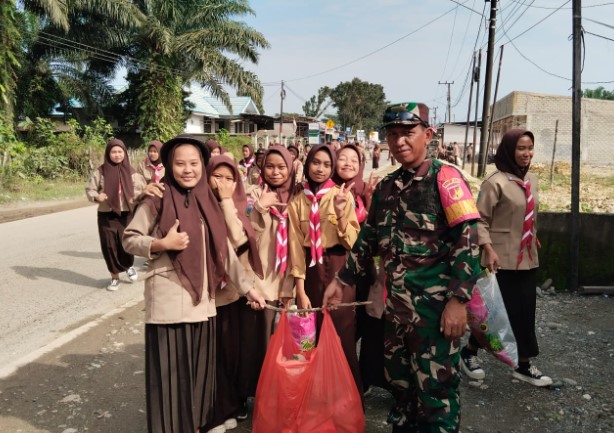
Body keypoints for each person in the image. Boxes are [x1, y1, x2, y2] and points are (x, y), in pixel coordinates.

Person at [323, 102, 481, 432]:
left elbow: (469, 240)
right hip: (397, 314)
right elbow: (368, 238)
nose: (399, 142)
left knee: (436, 396)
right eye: (392, 135)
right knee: (402, 390)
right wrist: (343, 278)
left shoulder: (446, 179)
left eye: (408, 133)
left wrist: (457, 301)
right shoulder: (385, 187)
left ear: (427, 134)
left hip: (434, 315)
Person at [122, 136, 265, 433]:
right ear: (169, 166)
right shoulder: (157, 199)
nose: (187, 170)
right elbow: (130, 239)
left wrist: (249, 288)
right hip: (168, 308)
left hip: (203, 306)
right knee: (170, 382)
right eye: (179, 163)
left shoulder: (207, 203)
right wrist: (161, 243)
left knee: (199, 381)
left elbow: (225, 253)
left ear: (202, 165)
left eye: (194, 163)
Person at [459, 129, 552, 387]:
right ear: (510, 150)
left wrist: (532, 234)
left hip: (526, 258)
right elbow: (479, 220)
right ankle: (469, 351)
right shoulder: (495, 182)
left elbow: (529, 212)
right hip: (499, 259)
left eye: (530, 147)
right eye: (521, 148)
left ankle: (523, 365)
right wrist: (487, 248)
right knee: (494, 315)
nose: (527, 153)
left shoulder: (531, 179)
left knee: (524, 313)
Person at [288, 143, 362, 392]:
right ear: (307, 164)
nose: (320, 168)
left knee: (342, 333)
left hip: (340, 268)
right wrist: (300, 290)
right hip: (310, 271)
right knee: (310, 335)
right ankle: (313, 394)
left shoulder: (341, 195)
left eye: (327, 164)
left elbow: (352, 241)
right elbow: (296, 247)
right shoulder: (298, 200)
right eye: (315, 162)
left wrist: (341, 214)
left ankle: (346, 397)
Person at [204, 155, 265, 433]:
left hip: (234, 293)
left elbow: (240, 240)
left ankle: (229, 405)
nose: (223, 184)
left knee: (230, 355)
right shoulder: (198, 205)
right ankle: (212, 410)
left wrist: (226, 202)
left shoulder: (239, 205)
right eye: (217, 177)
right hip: (204, 296)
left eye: (230, 179)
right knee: (209, 357)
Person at [238, 145, 297, 417]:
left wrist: (292, 288)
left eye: (281, 166)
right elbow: (246, 238)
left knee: (284, 346)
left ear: (290, 168)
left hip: (286, 281)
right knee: (255, 343)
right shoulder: (253, 195)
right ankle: (249, 394)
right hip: (259, 280)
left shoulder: (298, 198)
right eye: (270, 166)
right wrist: (259, 210)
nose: (275, 172)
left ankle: (276, 394)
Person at [86, 138, 146, 291]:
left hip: (126, 214)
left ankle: (128, 266)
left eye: (120, 152)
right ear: (108, 153)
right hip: (107, 214)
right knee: (109, 246)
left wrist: (138, 198)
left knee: (125, 244)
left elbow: (140, 190)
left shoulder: (132, 172)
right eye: (114, 152)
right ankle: (114, 278)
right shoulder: (100, 171)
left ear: (125, 153)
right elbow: (90, 189)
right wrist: (97, 196)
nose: (117, 155)